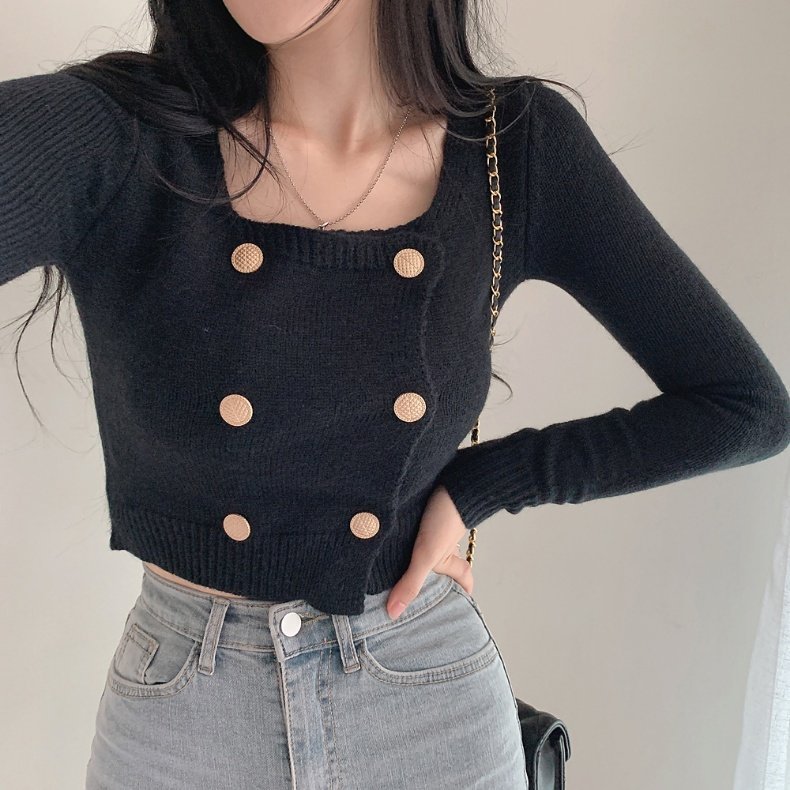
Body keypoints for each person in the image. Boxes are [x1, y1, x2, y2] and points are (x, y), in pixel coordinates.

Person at [2, 1, 788, 788]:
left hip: (426, 702)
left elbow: (744, 406)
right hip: (185, 717)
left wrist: (486, 484)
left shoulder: (511, 147)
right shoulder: (116, 132)